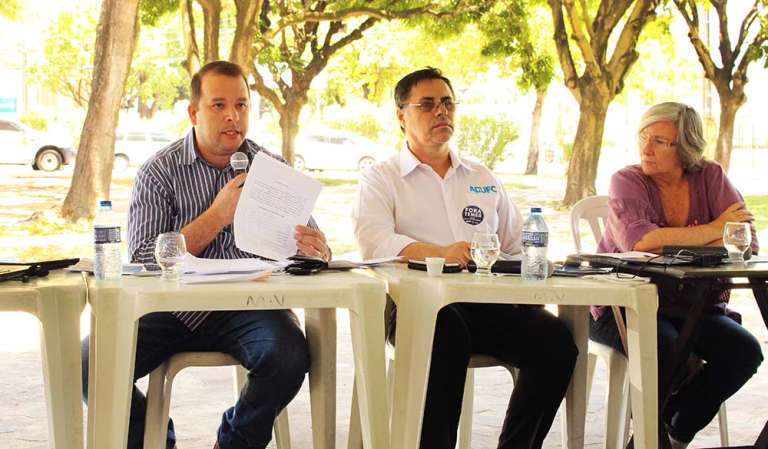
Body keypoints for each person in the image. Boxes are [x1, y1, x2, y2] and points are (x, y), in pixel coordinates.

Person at [80, 60, 332, 449]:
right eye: (219, 105)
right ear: (194, 112)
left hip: (251, 307)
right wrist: (217, 216)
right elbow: (144, 257)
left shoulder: (271, 169)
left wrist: (316, 249)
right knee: (88, 362)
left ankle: (232, 442)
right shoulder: (159, 171)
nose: (233, 116)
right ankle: (152, 439)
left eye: (242, 105)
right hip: (171, 308)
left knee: (288, 357)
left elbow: (306, 249)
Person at [351, 67, 578, 449]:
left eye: (447, 103)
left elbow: (516, 244)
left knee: (555, 342)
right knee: (445, 329)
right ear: (401, 115)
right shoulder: (381, 177)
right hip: (414, 307)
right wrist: (440, 254)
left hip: (487, 303)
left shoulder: (481, 176)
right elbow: (374, 242)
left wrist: (528, 274)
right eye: (427, 104)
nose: (441, 111)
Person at [590, 102, 763, 448]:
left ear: (685, 148)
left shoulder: (711, 177)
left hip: (695, 307)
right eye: (643, 137)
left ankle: (673, 431)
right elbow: (641, 241)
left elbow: (745, 242)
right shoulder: (627, 180)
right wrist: (714, 229)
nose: (646, 148)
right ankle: (651, 439)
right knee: (668, 347)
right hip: (622, 308)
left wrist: (671, 239)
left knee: (744, 352)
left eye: (659, 141)